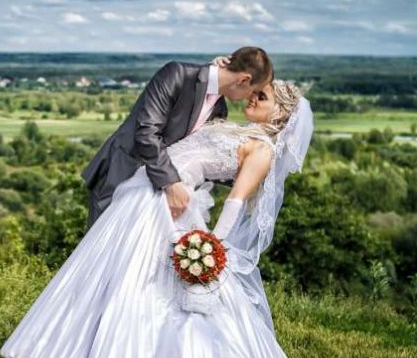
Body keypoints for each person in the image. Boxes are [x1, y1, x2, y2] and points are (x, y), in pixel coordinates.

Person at [0, 78, 315, 358]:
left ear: (279, 114)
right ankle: (74, 354)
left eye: (261, 97)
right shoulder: (238, 130)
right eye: (255, 92)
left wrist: (211, 246)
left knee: (140, 280)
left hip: (166, 206)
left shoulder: (263, 150)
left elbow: (236, 200)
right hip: (145, 188)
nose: (252, 98)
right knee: (110, 274)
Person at [81, 46, 273, 231]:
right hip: (121, 174)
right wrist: (171, 183)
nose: (251, 97)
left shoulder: (219, 109)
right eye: (254, 91)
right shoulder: (178, 74)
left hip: (154, 195)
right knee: (102, 252)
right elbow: (147, 132)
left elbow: (199, 156)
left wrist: (253, 172)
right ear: (244, 79)